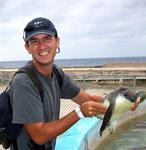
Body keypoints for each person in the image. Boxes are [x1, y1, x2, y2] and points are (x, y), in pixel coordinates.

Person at [9, 17, 107, 150]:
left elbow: (87, 99)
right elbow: (39, 136)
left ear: (57, 42)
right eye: (34, 41)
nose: (42, 46)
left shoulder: (56, 73)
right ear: (28, 47)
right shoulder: (24, 82)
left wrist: (122, 101)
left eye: (47, 38)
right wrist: (79, 113)